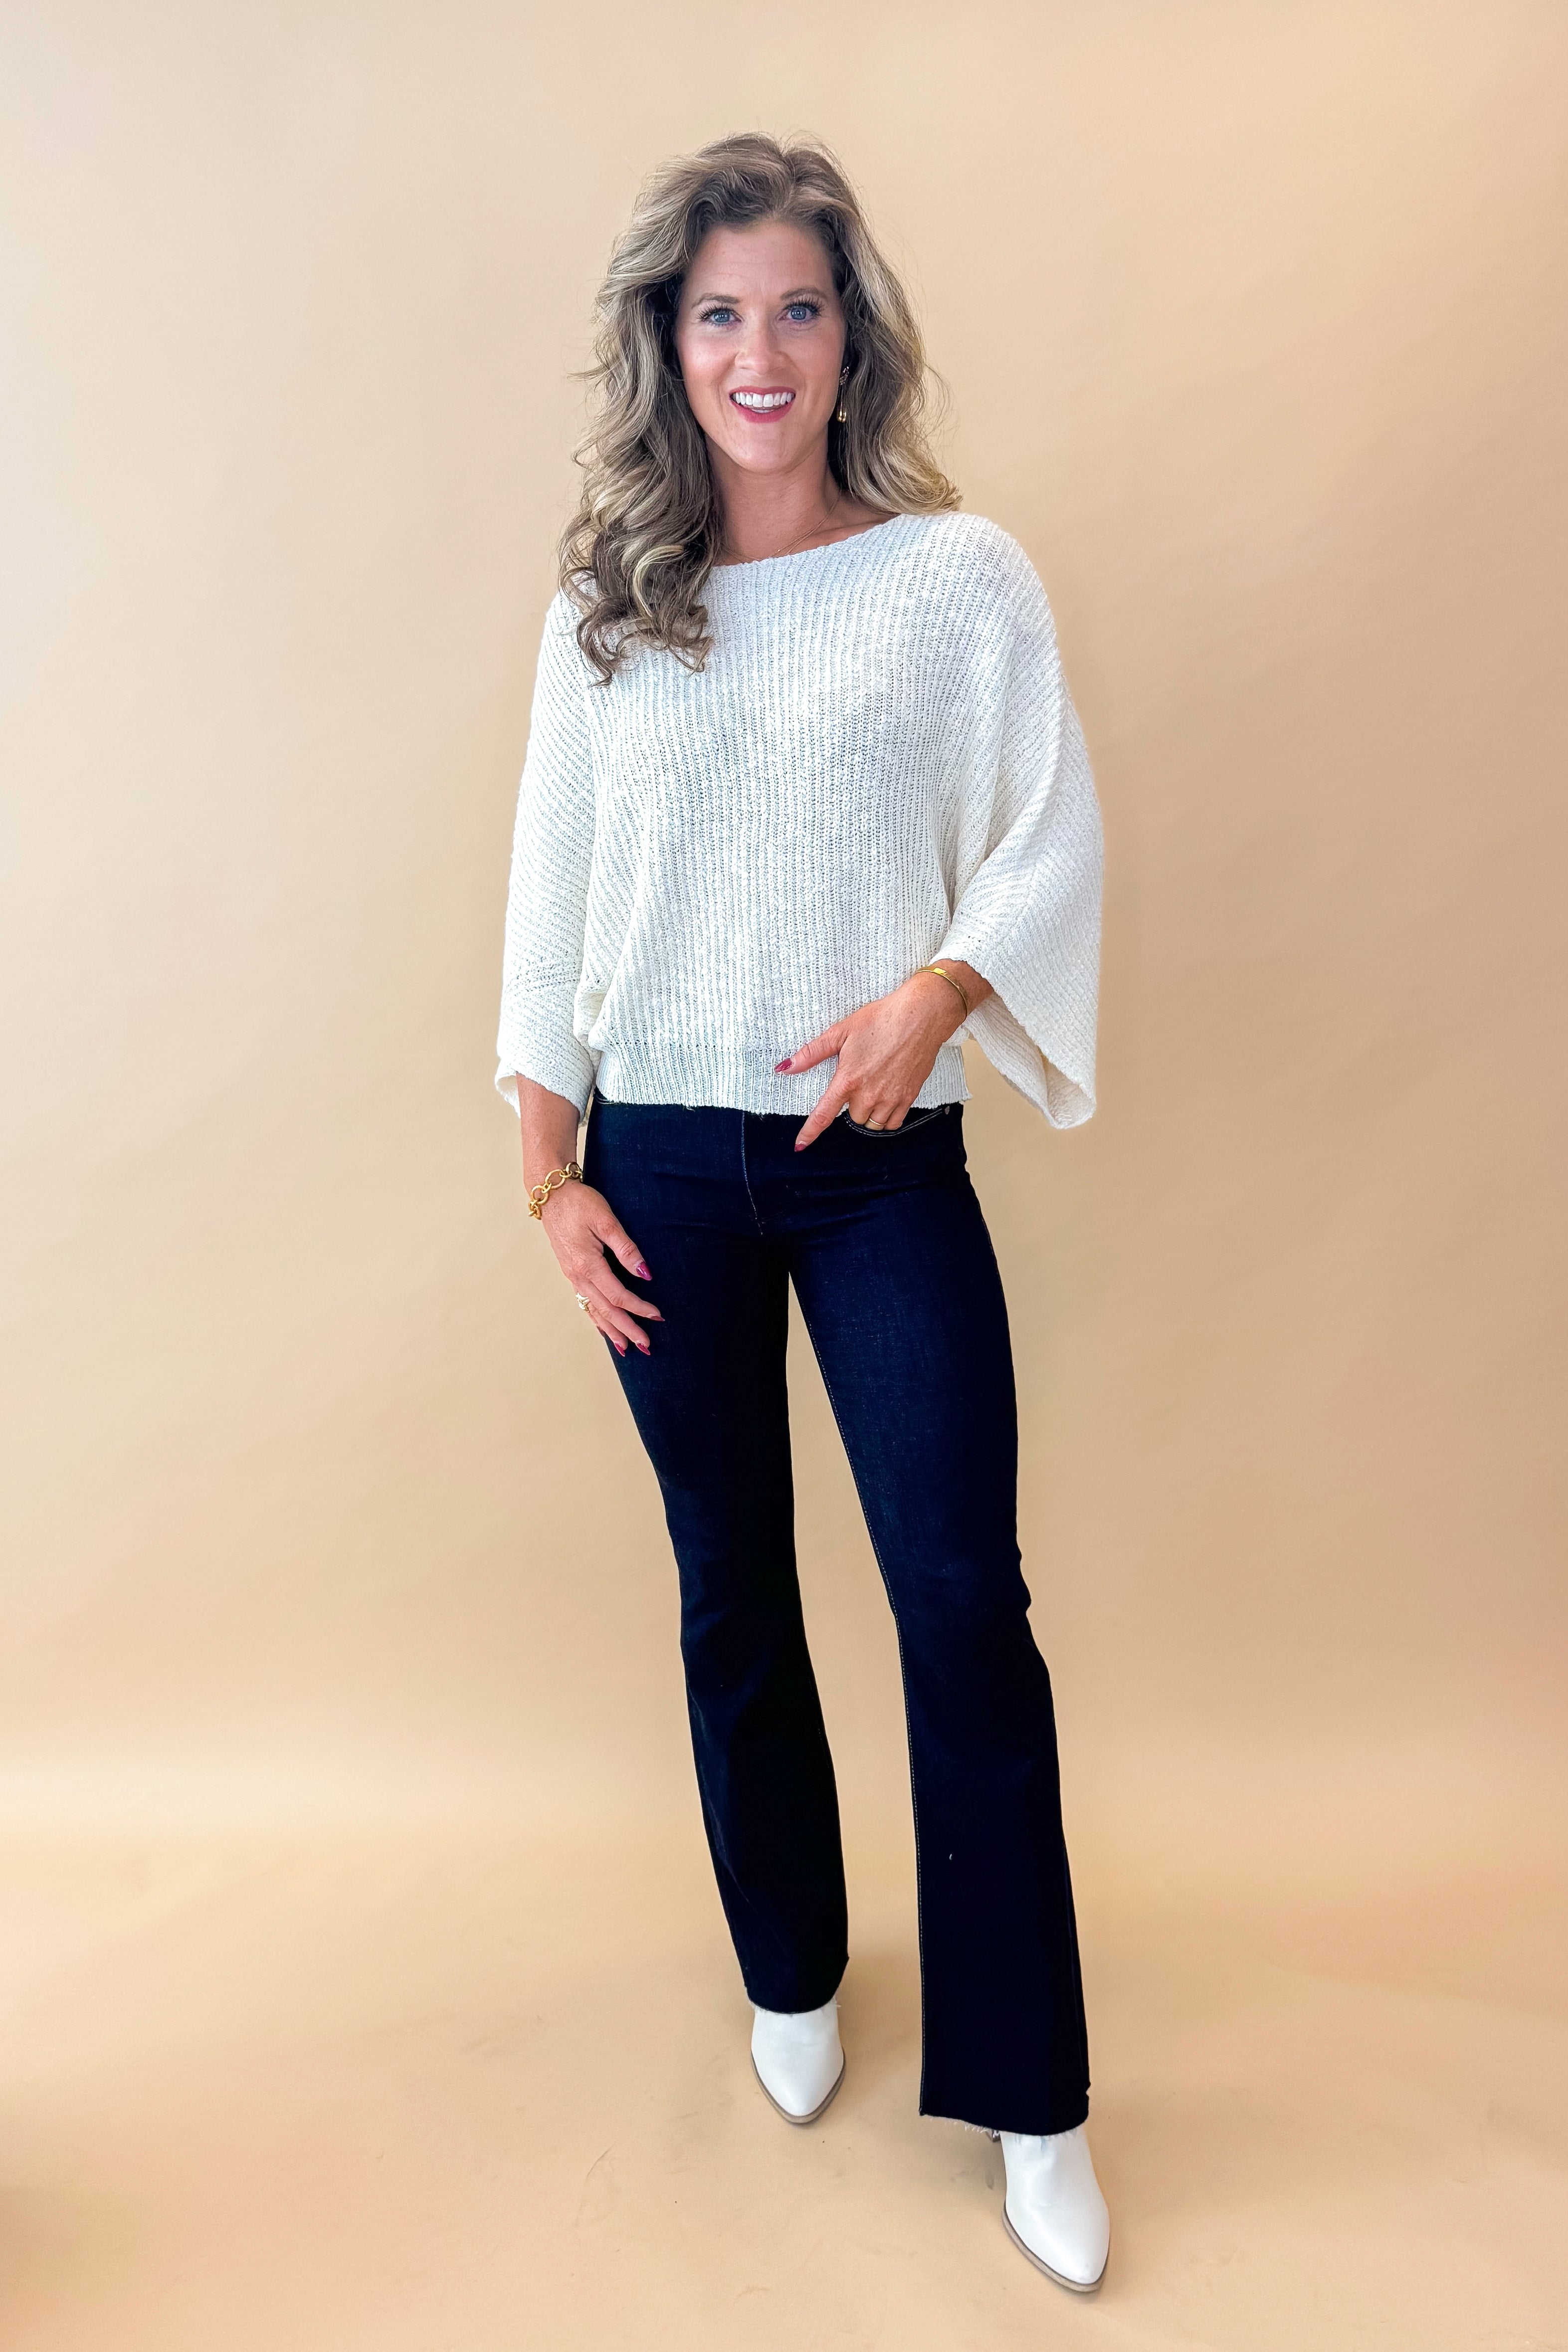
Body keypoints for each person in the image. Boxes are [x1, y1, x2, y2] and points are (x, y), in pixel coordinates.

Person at [496, 132, 1110, 2295]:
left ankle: (1032, 2092)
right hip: (657, 1161)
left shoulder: (959, 583)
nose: (760, 351)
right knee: (729, 1591)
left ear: (854, 338)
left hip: (877, 1170)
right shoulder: (606, 611)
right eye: (720, 311)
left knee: (963, 1600)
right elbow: (548, 906)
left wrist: (937, 992)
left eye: (799, 307)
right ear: (672, 346)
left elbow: (1043, 839)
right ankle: (791, 1972)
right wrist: (550, 1177)